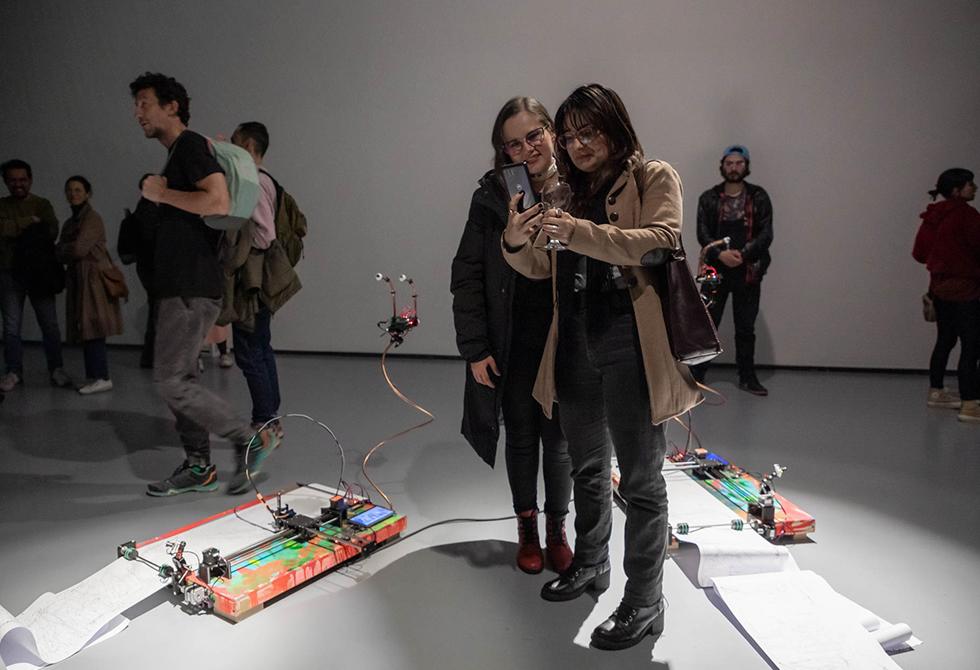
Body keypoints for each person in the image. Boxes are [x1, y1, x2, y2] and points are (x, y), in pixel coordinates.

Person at [502, 84, 701, 651]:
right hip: (573, 339)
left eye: (588, 132)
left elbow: (660, 241)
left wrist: (577, 231)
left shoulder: (652, 176)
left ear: (616, 127)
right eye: (569, 136)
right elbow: (541, 265)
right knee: (586, 467)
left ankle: (645, 600)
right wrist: (515, 241)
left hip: (628, 340)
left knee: (640, 480)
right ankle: (591, 563)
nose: (578, 145)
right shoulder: (564, 191)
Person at [129, 71, 279, 496]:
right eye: (136, 106)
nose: (138, 113)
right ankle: (199, 467)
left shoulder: (190, 146)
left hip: (190, 285)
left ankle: (251, 438)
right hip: (182, 284)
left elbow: (218, 201)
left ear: (172, 106)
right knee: (181, 379)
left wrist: (160, 195)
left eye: (145, 103)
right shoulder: (180, 152)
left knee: (171, 381)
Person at [451, 97, 573, 575]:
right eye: (513, 144)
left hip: (565, 336)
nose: (526, 149)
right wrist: (475, 348)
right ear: (502, 152)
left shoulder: (579, 187)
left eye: (533, 136)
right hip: (513, 339)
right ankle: (527, 527)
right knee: (521, 436)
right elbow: (467, 273)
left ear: (551, 131)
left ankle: (557, 529)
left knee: (560, 441)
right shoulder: (491, 197)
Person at [692, 145, 773, 395]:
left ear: (746, 166)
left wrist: (744, 254)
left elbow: (766, 233)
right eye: (729, 163)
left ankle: (747, 377)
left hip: (748, 271)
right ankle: (695, 378)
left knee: (745, 327)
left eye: (739, 163)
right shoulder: (708, 198)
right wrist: (720, 254)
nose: (734, 168)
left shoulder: (759, 197)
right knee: (707, 324)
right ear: (722, 166)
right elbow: (702, 233)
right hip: (714, 272)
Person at [228, 121, 286, 436]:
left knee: (250, 350)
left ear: (249, 146)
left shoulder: (254, 182)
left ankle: (265, 419)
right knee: (260, 346)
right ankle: (270, 416)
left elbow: (264, 235)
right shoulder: (266, 180)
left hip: (252, 280)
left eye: (235, 143)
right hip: (261, 278)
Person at [913, 168, 980, 423]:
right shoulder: (967, 215)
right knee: (972, 345)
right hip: (966, 288)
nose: (974, 188)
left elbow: (920, 253)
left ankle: (937, 391)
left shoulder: (934, 215)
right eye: (970, 184)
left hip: (939, 288)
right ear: (956, 190)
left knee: (945, 340)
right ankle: (970, 404)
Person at [0, 159, 72, 391]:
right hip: (9, 273)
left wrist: (13, 228)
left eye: (22, 179)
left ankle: (56, 368)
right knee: (11, 327)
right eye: (13, 180)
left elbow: (50, 231)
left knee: (49, 324)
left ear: (30, 180)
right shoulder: (2, 205)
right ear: (5, 182)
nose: (18, 184)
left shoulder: (42, 204)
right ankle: (13, 371)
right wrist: (28, 222)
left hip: (39, 274)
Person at [56, 176, 124, 394]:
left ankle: (102, 376)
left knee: (94, 326)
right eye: (69, 190)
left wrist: (64, 248)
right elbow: (63, 251)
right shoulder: (72, 221)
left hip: (93, 280)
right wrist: (66, 248)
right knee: (86, 328)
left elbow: (77, 250)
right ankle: (94, 376)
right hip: (80, 279)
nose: (73, 194)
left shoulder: (92, 218)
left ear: (87, 193)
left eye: (78, 190)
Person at [117, 173, 160, 369]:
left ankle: (150, 356)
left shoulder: (139, 213)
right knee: (159, 310)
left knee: (156, 309)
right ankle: (154, 356)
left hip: (145, 266)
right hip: (156, 267)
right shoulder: (152, 213)